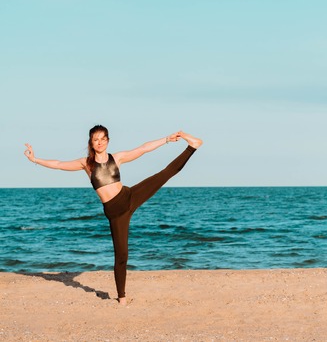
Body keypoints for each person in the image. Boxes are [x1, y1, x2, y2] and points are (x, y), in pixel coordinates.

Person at [24, 126, 203, 305]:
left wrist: (166, 139)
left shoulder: (116, 158)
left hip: (129, 197)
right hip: (115, 213)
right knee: (121, 255)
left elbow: (142, 149)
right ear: (91, 142)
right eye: (96, 139)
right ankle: (122, 297)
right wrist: (34, 159)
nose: (100, 142)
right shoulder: (86, 163)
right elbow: (58, 164)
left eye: (103, 139)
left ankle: (192, 146)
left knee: (164, 175)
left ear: (108, 140)